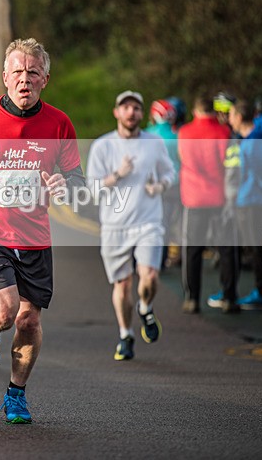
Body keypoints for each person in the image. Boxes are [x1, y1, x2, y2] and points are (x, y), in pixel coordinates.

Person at [0, 38, 84, 424]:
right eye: (18, 72)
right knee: (5, 311)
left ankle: (16, 395)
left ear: (45, 79)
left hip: (34, 236)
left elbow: (76, 177)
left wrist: (66, 185)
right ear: (5, 76)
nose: (25, 79)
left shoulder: (59, 123)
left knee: (29, 321)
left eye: (33, 72)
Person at [87, 91, 175, 361]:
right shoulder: (103, 146)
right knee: (123, 285)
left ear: (141, 113)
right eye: (125, 107)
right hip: (115, 227)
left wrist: (159, 186)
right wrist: (117, 175)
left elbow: (170, 172)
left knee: (150, 276)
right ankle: (126, 335)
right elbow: (92, 189)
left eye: (136, 108)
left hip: (148, 222)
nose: (131, 112)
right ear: (116, 112)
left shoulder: (154, 143)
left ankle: (145, 307)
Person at [177, 95, 234, 313]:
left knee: (192, 250)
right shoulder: (223, 132)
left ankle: (192, 298)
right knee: (227, 248)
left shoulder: (185, 132)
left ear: (195, 111)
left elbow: (182, 157)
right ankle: (229, 297)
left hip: (194, 198)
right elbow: (229, 163)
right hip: (220, 197)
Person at [228, 99, 262, 310]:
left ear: (240, 117)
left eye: (231, 115)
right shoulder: (255, 140)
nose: (229, 120)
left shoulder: (253, 142)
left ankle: (260, 293)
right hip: (251, 198)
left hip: (252, 200)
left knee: (254, 247)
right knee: (252, 247)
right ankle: (256, 292)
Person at [145, 99, 181, 269]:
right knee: (170, 223)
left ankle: (152, 259)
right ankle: (166, 258)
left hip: (153, 187)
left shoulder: (147, 135)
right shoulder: (178, 136)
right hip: (175, 185)